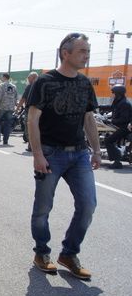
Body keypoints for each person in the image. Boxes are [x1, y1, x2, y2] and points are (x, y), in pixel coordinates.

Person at [28, 33, 100, 280]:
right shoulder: (45, 82)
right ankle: (41, 252)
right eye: (82, 51)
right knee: (43, 207)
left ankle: (69, 254)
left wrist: (96, 150)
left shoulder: (84, 83)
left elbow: (88, 118)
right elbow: (32, 119)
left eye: (88, 51)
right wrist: (38, 154)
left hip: (79, 154)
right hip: (50, 154)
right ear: (65, 53)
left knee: (88, 205)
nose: (86, 55)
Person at [104, 84, 132, 169]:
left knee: (108, 141)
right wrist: (96, 107)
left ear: (117, 93)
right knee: (107, 135)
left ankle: (117, 162)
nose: (111, 94)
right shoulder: (118, 101)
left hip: (125, 128)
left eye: (113, 92)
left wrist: (111, 121)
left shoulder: (125, 104)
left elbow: (124, 119)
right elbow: (111, 107)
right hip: (119, 126)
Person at [0, 73, 19, 145]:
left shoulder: (1, 85)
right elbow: (16, 98)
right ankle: (5, 140)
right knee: (7, 124)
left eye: (2, 77)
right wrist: (14, 106)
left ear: (4, 77)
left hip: (1, 107)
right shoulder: (14, 86)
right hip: (10, 108)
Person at [18, 71, 39, 151]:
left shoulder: (29, 87)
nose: (27, 79)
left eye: (28, 77)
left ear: (33, 78)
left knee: (29, 128)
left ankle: (31, 146)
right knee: (37, 128)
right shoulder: (41, 85)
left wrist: (17, 109)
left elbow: (23, 99)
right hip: (40, 111)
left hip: (30, 111)